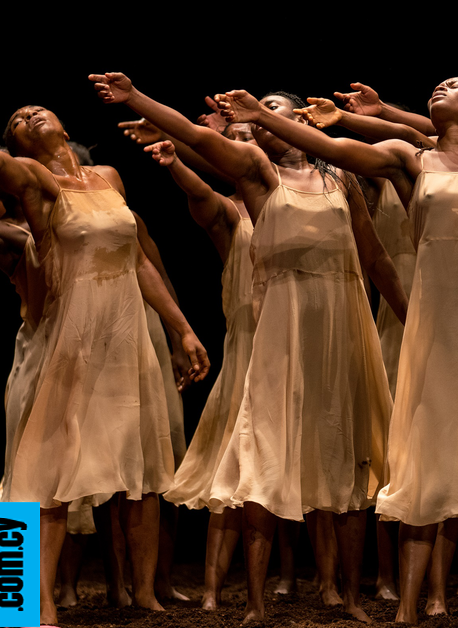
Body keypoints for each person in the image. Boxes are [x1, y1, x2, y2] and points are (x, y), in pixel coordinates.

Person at [214, 77, 458, 623]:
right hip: (439, 322)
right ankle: (410, 608)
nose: (440, 88)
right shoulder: (412, 160)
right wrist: (263, 118)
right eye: (435, 86)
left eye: (453, 85)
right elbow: (331, 149)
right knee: (427, 454)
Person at [89, 72, 407, 624]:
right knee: (266, 450)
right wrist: (136, 96)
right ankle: (256, 605)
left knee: (350, 451)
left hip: (343, 316)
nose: (265, 127)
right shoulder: (260, 175)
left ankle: (352, 597)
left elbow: (376, 259)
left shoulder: (342, 181)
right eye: (259, 122)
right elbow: (202, 137)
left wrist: (413, 318)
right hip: (283, 319)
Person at [0, 106, 210, 624]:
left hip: (127, 332)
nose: (28, 114)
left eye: (38, 110)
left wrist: (182, 327)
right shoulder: (37, 182)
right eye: (19, 118)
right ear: (17, 146)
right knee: (54, 466)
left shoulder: (109, 178)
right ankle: (39, 596)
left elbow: (137, 260)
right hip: (76, 332)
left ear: (67, 127)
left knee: (139, 463)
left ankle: (144, 592)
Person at [143, 138, 256, 610]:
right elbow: (201, 197)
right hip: (249, 346)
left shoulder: (322, 190)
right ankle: (206, 590)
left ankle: (330, 586)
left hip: (307, 336)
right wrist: (179, 160)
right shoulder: (230, 210)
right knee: (229, 464)